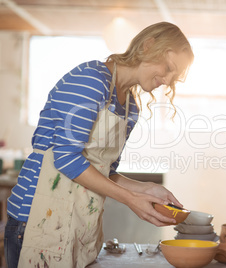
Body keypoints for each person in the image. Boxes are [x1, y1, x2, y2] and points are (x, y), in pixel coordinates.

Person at [4, 21, 194, 268]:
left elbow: (104, 173)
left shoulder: (131, 109)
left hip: (79, 227)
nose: (168, 81)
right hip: (34, 221)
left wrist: (144, 190)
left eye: (175, 77)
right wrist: (130, 199)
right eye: (168, 67)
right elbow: (66, 158)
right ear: (149, 46)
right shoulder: (92, 80)